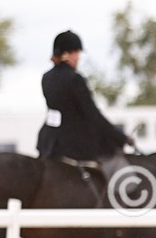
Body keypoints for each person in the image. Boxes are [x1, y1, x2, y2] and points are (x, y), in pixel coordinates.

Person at [36, 30, 134, 182]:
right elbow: (93, 115)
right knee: (113, 155)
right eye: (77, 53)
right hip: (75, 143)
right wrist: (119, 137)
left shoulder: (46, 78)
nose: (78, 58)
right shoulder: (75, 79)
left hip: (48, 141)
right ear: (69, 54)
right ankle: (123, 195)